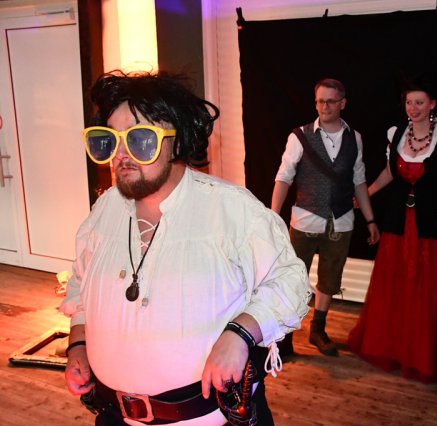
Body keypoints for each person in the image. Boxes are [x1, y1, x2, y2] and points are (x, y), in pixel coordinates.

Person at [59, 70, 311, 425]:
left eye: (140, 139)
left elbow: (290, 281)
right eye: (110, 140)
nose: (121, 155)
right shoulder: (104, 210)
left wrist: (240, 334)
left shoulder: (232, 210)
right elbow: (81, 286)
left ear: (177, 141)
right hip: (114, 416)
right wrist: (78, 344)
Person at [347, 75, 437, 383]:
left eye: (419, 102)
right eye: (409, 102)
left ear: (432, 104)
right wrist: (369, 192)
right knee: (394, 286)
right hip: (398, 223)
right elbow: (391, 171)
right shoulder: (396, 133)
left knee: (425, 290)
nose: (413, 108)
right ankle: (393, 348)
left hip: (430, 226)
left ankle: (420, 355)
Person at [271, 78, 379, 357]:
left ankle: (317, 328)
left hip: (341, 220)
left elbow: (359, 181)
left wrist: (370, 220)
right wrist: (272, 216)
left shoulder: (355, 138)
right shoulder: (299, 136)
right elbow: (284, 177)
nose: (324, 106)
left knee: (330, 278)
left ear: (342, 103)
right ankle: (285, 336)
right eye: (320, 101)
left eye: (330, 101)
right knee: (294, 277)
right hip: (305, 218)